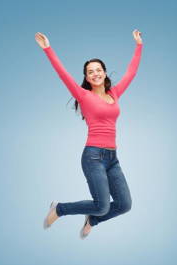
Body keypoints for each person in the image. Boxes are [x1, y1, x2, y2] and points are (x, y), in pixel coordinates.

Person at [35, 29, 143, 239]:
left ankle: (92, 219)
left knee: (124, 205)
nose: (95, 73)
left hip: (112, 159)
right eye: (90, 71)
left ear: (104, 72)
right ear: (86, 77)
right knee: (101, 205)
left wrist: (139, 45)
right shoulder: (83, 95)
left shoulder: (114, 94)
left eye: (98, 69)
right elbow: (62, 73)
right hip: (93, 156)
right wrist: (48, 49)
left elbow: (131, 73)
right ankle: (59, 209)